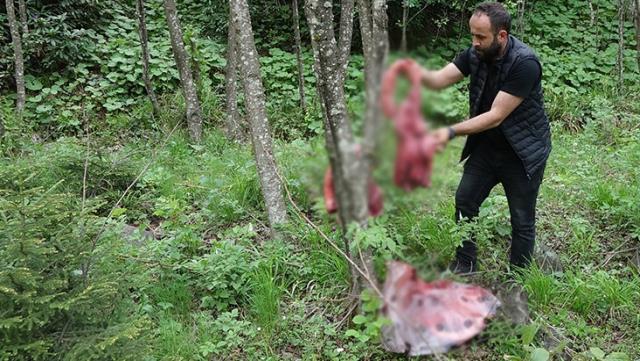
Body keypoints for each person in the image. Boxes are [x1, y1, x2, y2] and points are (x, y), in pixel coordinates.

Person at [417, 2, 552, 274]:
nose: (474, 43)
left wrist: (450, 131)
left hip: (523, 153)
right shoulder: (476, 53)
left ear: (501, 36)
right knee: (465, 200)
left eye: (481, 37)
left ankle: (518, 278)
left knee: (522, 219)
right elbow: (440, 79)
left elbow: (495, 116)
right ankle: (465, 263)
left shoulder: (525, 63)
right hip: (488, 147)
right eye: (472, 35)